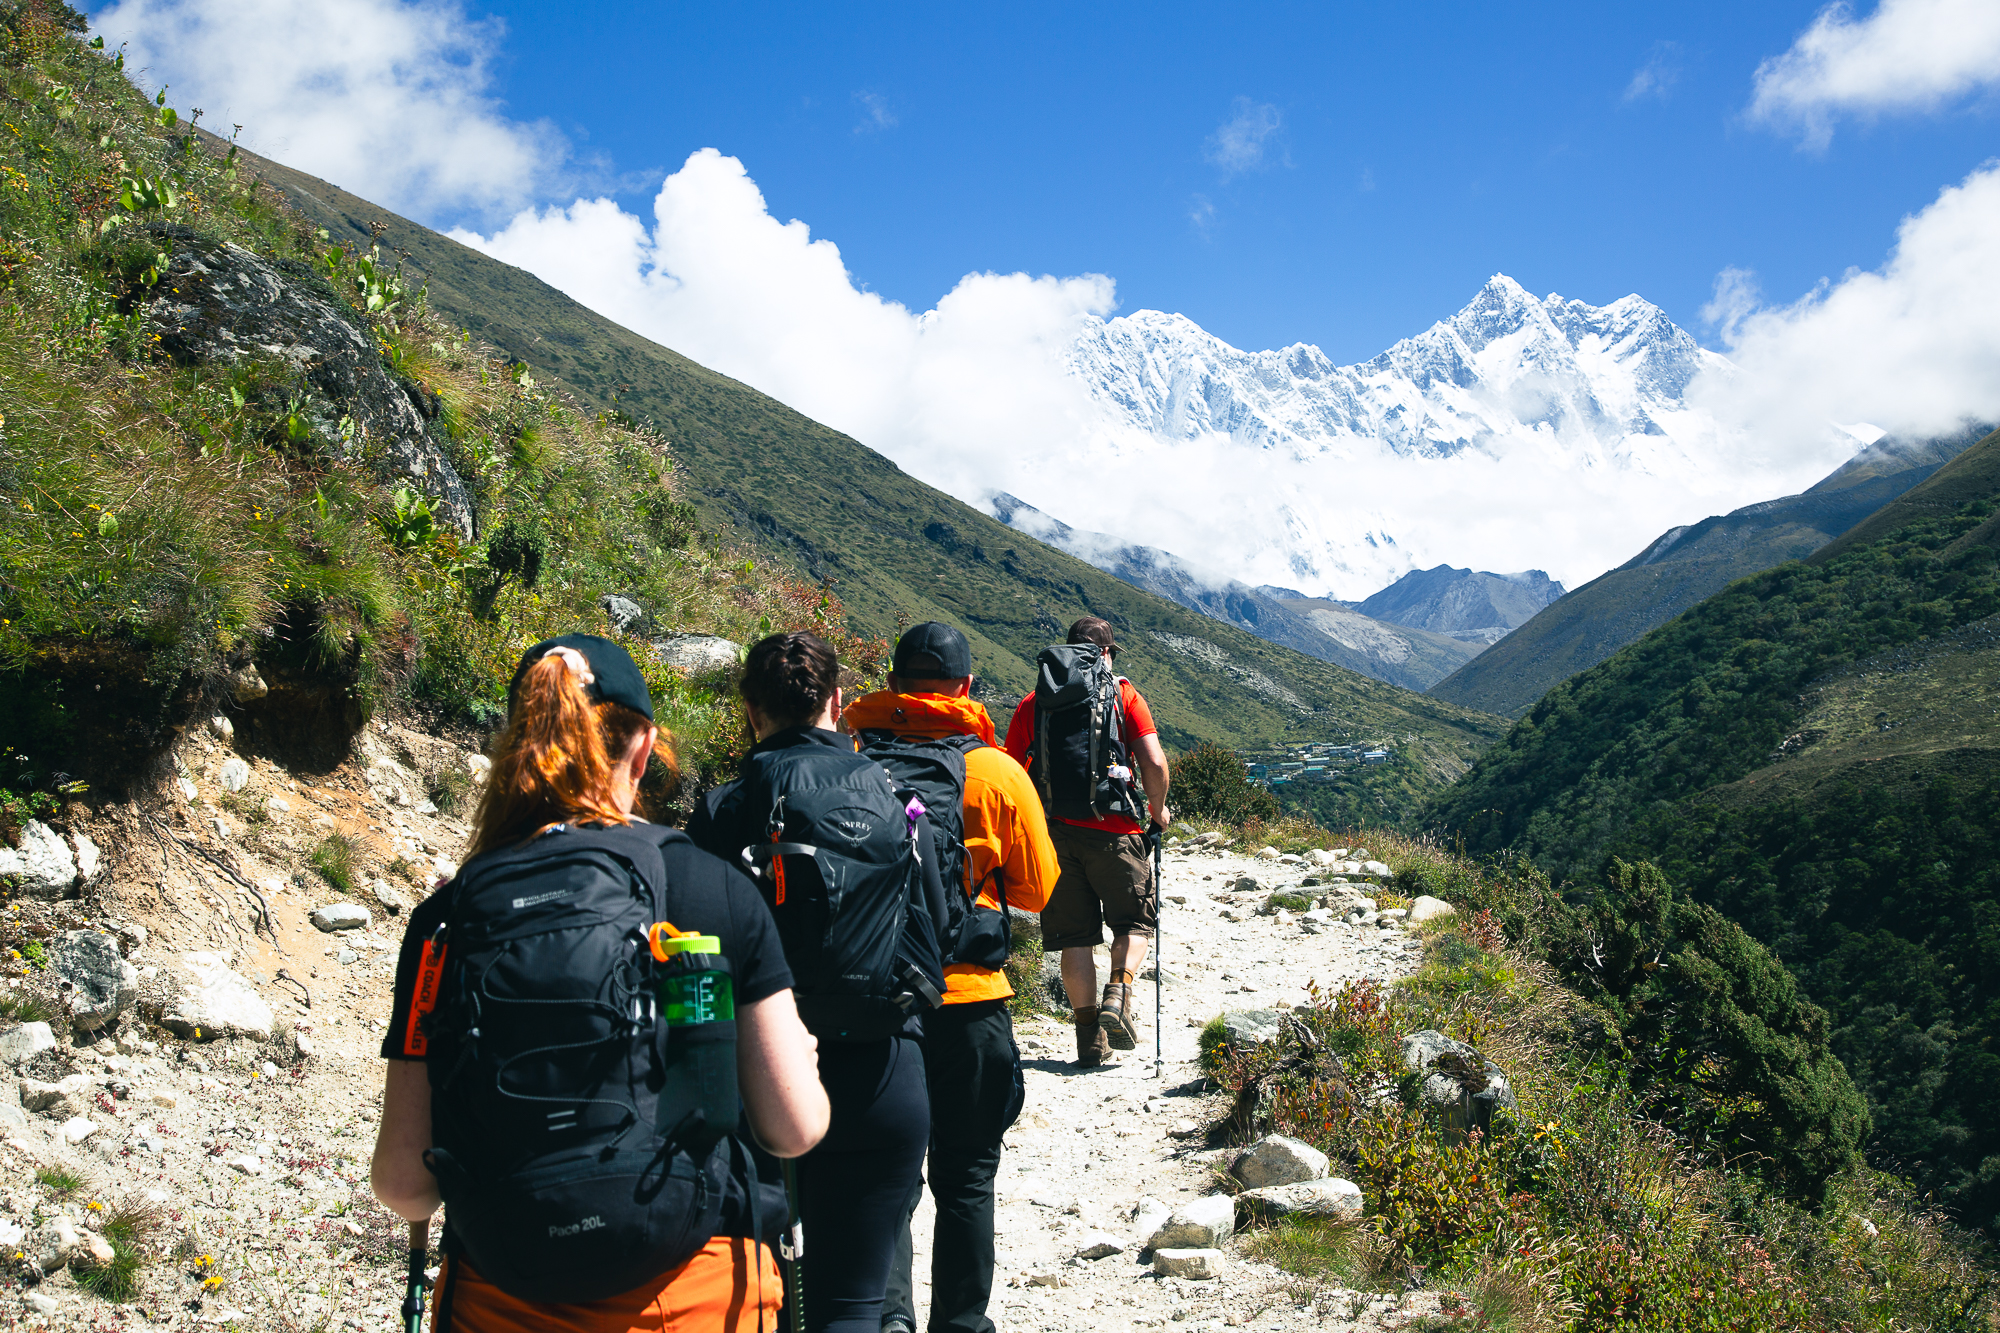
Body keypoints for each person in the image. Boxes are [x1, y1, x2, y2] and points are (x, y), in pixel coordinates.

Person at [372, 633, 829, 1332]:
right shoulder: (711, 887)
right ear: (644, 749)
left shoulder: (446, 918)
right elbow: (793, 1129)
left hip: (503, 1299)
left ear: (514, 749)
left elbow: (405, 1183)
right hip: (699, 1296)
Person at [688, 632, 949, 1333]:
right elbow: (939, 928)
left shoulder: (723, 809)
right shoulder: (902, 799)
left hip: (755, 1079)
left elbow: (693, 952)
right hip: (884, 1069)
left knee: (756, 1300)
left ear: (750, 710)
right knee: (853, 1309)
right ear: (839, 701)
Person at [841, 622, 1058, 1333]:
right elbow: (1037, 891)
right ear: (966, 687)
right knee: (966, 1177)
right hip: (970, 1003)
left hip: (874, 1000)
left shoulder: (847, 759)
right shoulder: (996, 771)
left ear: (892, 678)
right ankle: (962, 1322)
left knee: (886, 1177)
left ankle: (890, 1319)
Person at [1003, 616, 1171, 1067]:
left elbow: (1010, 771)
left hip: (1054, 834)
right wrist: (1157, 810)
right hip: (1116, 831)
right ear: (1108, 653)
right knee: (1134, 924)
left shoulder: (1033, 703)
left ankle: (1088, 1043)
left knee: (1073, 939)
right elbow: (1153, 762)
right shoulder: (1123, 693)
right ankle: (1119, 992)